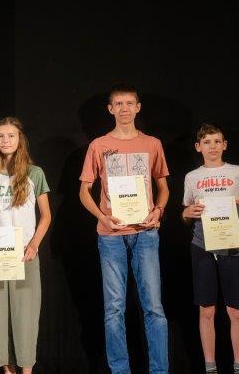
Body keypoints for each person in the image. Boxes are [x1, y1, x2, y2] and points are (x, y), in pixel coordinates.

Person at [79, 83, 169, 374]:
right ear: (110, 109)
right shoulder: (98, 145)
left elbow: (163, 188)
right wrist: (102, 217)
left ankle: (159, 370)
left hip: (145, 233)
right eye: (118, 104)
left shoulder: (152, 144)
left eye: (129, 103)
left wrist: (158, 211)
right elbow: (84, 192)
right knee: (114, 309)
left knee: (153, 307)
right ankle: (120, 371)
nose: (124, 108)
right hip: (111, 236)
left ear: (138, 108)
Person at [0, 117, 52, 374]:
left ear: (20, 140)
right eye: (1, 136)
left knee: (25, 316)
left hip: (24, 254)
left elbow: (46, 216)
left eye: (11, 136)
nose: (6, 140)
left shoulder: (34, 173)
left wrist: (34, 245)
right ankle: (7, 371)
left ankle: (26, 371)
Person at [181, 123, 239, 374]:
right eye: (207, 142)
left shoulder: (237, 172)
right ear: (198, 147)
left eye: (217, 141)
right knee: (206, 309)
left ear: (224, 145)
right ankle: (210, 367)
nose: (212, 146)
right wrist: (187, 213)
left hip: (233, 244)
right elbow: (185, 215)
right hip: (202, 246)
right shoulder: (192, 177)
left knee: (236, 310)